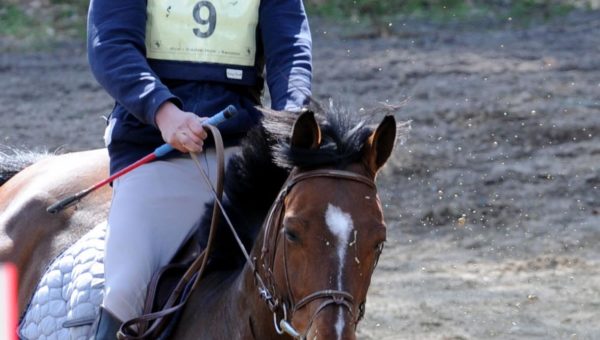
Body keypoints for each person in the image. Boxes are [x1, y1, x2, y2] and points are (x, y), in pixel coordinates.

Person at [86, 0, 312, 338]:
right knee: (125, 287)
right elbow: (111, 44)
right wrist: (163, 111)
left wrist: (291, 121)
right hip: (155, 149)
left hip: (243, 153)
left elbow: (290, 50)